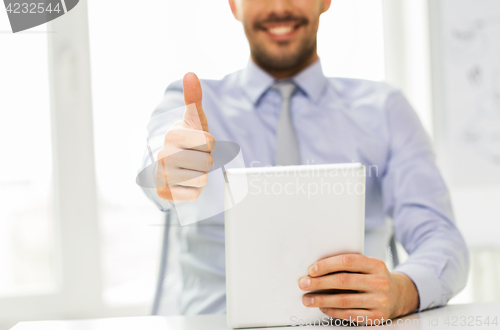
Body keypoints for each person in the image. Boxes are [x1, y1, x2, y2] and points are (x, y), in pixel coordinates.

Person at [140, 0, 469, 324]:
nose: (280, 6)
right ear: (233, 5)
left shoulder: (385, 110)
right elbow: (160, 153)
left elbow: (441, 238)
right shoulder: (192, 107)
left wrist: (404, 291)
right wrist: (171, 167)